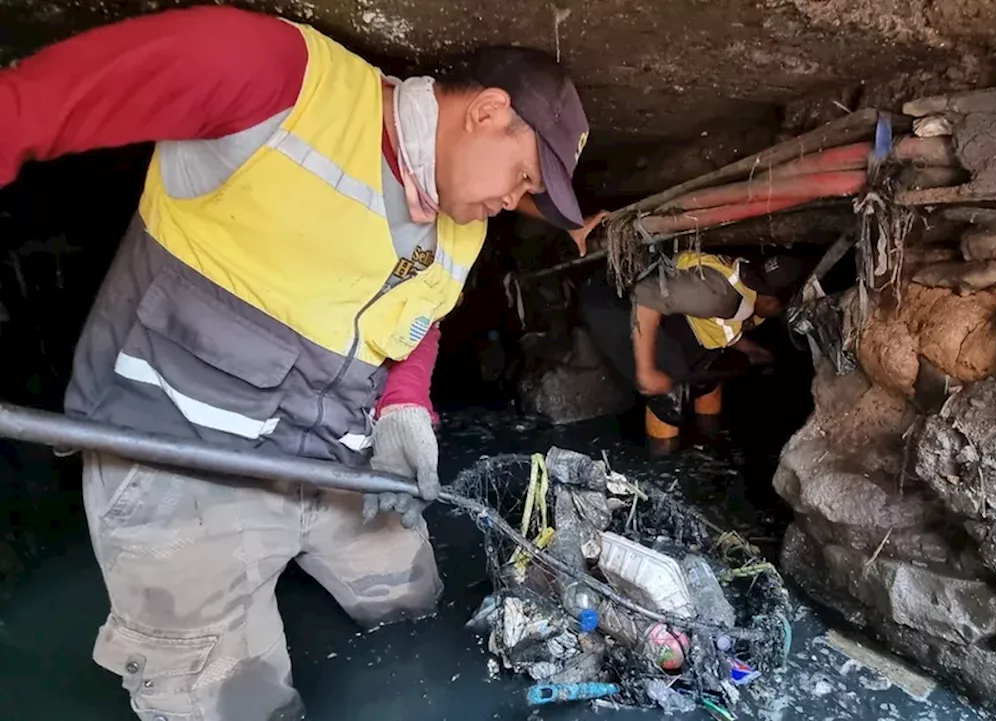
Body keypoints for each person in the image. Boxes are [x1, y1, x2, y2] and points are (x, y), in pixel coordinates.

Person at [0, 6, 605, 720]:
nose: (514, 201)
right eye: (524, 174)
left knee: (414, 603)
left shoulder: (463, 229)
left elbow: (421, 318)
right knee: (244, 705)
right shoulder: (276, 77)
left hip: (336, 459)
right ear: (488, 111)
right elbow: (30, 106)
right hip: (181, 460)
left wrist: (404, 404)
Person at [579, 249, 806, 447]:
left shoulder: (751, 283)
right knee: (669, 396)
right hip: (613, 302)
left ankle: (707, 448)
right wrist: (646, 371)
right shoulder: (720, 294)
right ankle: (664, 465)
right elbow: (646, 297)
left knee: (707, 378)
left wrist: (750, 351)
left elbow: (718, 327)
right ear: (771, 302)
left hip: (669, 310)